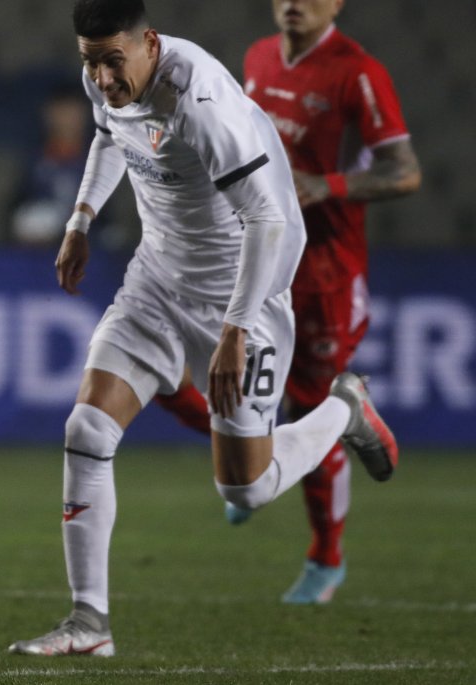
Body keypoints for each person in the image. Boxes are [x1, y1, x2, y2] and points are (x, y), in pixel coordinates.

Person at [8, 0, 399, 657]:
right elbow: (109, 133)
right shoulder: (102, 77)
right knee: (86, 428)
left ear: (150, 43)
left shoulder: (201, 100)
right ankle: (88, 622)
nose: (102, 78)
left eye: (113, 61)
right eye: (90, 63)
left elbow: (269, 221)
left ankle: (344, 408)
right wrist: (79, 221)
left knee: (244, 484)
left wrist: (235, 329)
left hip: (243, 287)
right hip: (158, 280)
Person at [155, 0, 422, 605]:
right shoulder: (253, 59)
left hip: (325, 271)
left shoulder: (358, 73)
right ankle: (255, 460)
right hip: (253, 256)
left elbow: (404, 172)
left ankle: (325, 559)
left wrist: (324, 187)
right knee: (169, 377)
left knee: (308, 402)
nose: (293, 3)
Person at [8, 82, 96, 247]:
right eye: (61, 112)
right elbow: (17, 202)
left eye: (73, 112)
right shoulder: (35, 160)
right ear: (48, 114)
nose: (67, 120)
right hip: (40, 244)